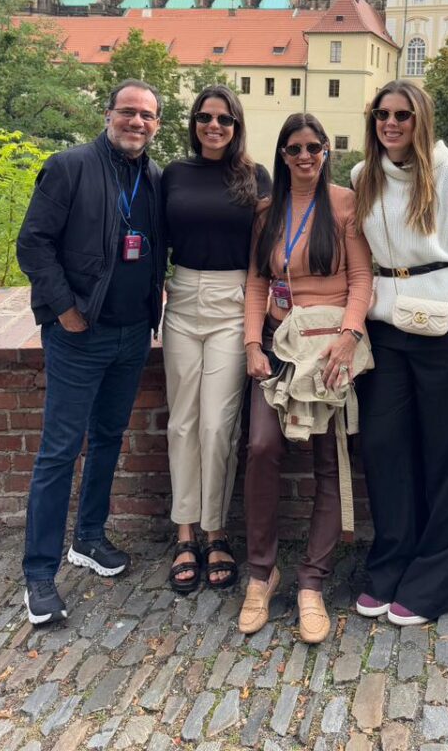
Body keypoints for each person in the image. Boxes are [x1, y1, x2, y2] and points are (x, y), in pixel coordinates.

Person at [16, 78, 167, 626]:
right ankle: (38, 575)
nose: (137, 122)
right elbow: (32, 243)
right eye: (128, 112)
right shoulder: (70, 166)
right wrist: (64, 309)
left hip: (132, 335)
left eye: (147, 116)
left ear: (156, 125)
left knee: (108, 439)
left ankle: (89, 538)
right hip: (79, 334)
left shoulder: (152, 178)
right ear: (108, 115)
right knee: (59, 451)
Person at [351, 79, 448, 626]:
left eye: (402, 115)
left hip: (446, 326)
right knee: (385, 451)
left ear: (420, 118)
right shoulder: (363, 177)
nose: (391, 123)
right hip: (385, 328)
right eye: (382, 114)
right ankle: (391, 563)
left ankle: (436, 580)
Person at [240, 113, 373, 643]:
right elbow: (256, 281)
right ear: (283, 153)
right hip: (280, 348)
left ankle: (312, 582)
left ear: (325, 152)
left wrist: (350, 335)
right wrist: (253, 343)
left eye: (314, 147)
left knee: (327, 459)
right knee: (261, 448)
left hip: (330, 349)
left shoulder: (344, 204)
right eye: (294, 148)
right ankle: (260, 572)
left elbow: (362, 278)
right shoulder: (267, 211)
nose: (305, 156)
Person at [161, 85, 270, 593]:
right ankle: (185, 533)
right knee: (182, 421)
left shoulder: (255, 177)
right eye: (205, 117)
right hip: (182, 299)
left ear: (237, 125)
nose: (214, 126)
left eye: (224, 119)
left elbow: (271, 249)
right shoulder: (174, 175)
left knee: (218, 425)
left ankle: (215, 528)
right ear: (193, 122)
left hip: (233, 301)